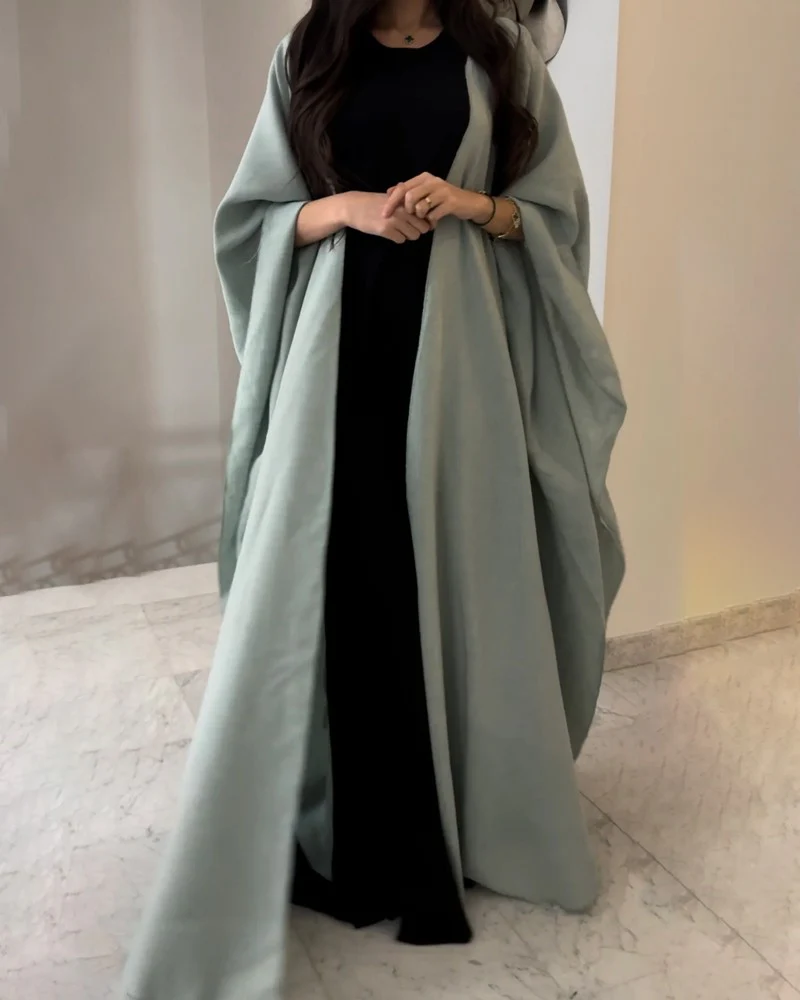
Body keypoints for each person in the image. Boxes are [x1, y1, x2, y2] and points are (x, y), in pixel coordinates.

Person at [122, 1, 626, 998]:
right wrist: (348, 207)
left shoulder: (500, 56)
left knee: (443, 582)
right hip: (334, 364)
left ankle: (455, 821)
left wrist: (469, 202)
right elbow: (253, 219)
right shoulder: (309, 50)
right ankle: (341, 827)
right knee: (342, 584)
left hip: (458, 374)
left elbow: (552, 213)